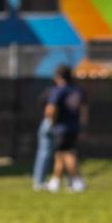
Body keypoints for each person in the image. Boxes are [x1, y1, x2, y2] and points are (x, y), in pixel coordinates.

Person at [42, 63, 87, 192]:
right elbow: (84, 109)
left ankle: (77, 181)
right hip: (74, 126)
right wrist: (82, 125)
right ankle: (55, 182)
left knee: (68, 154)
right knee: (60, 154)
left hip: (62, 126)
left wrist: (51, 121)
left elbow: (51, 109)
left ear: (59, 77)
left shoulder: (58, 90)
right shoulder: (78, 90)